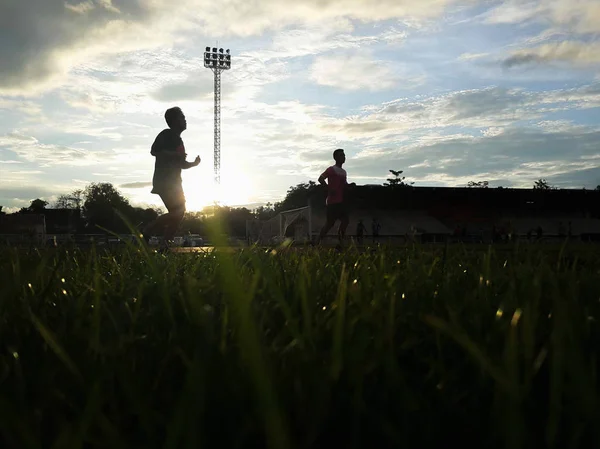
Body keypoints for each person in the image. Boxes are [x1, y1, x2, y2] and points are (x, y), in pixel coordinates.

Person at [142, 107, 200, 250]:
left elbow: (181, 164)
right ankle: (148, 230)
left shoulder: (179, 141)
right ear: (174, 121)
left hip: (175, 183)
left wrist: (194, 163)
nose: (185, 120)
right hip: (165, 181)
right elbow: (154, 151)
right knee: (178, 213)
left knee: (178, 215)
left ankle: (165, 246)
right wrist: (172, 154)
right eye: (182, 117)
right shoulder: (166, 134)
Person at [317, 149, 355, 246]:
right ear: (336, 158)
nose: (344, 157)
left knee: (345, 221)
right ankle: (317, 242)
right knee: (330, 224)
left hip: (341, 201)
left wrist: (350, 186)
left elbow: (344, 185)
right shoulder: (331, 169)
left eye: (344, 155)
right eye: (341, 155)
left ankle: (340, 242)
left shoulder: (343, 172)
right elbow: (321, 179)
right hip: (332, 202)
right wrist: (328, 189)